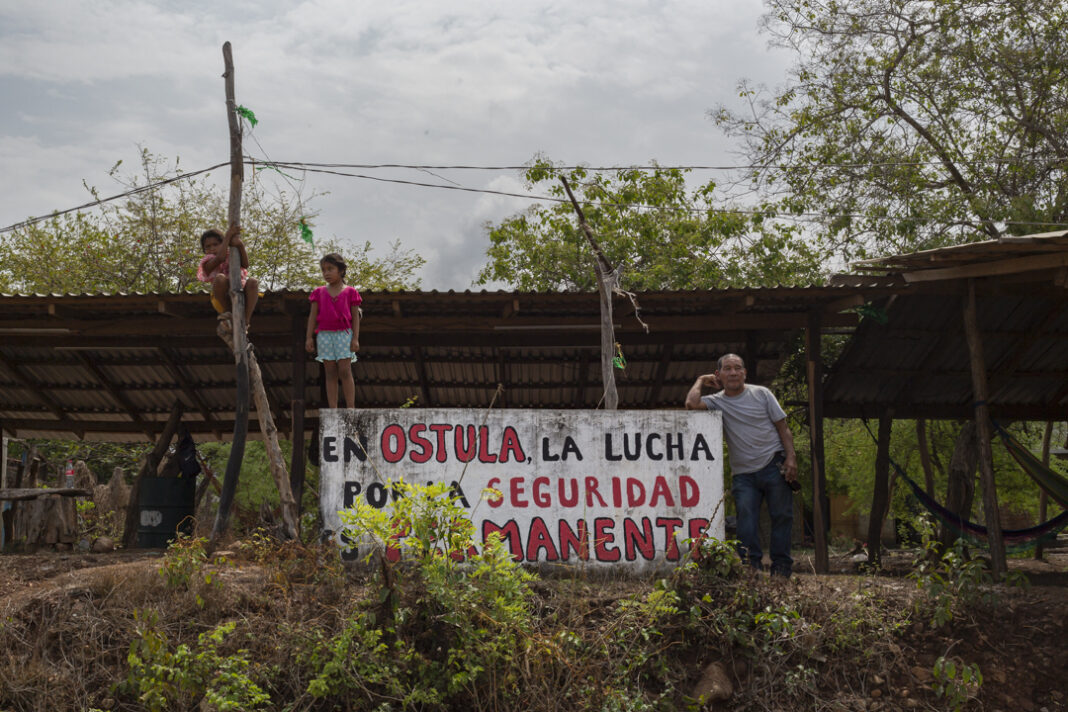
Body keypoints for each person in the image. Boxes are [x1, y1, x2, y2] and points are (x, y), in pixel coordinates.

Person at [685, 354, 799, 577]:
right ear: (718, 375)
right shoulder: (717, 401)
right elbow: (691, 404)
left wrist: (791, 458)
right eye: (727, 369)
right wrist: (700, 380)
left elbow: (783, 427)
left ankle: (781, 570)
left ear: (744, 373)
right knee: (745, 521)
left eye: (738, 368)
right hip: (744, 473)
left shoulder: (762, 394)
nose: (733, 373)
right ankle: (751, 568)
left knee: (782, 516)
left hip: (774, 463)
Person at [306, 253, 362, 408]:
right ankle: (333, 409)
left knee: (345, 370)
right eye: (323, 270)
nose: (326, 273)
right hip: (324, 335)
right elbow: (312, 317)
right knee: (330, 372)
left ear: (341, 270)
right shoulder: (318, 292)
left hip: (344, 334)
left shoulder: (351, 292)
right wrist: (309, 338)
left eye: (330, 269)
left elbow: (355, 317)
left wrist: (355, 338)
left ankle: (351, 408)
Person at [198, 225, 259, 326]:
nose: (212, 248)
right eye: (208, 247)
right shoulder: (207, 262)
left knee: (253, 281)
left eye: (215, 244)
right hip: (223, 299)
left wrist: (240, 245)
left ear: (223, 244)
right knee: (220, 278)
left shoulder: (232, 253)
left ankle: (246, 320)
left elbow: (245, 264)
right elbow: (220, 258)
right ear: (204, 250)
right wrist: (228, 236)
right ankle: (229, 313)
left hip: (240, 290)